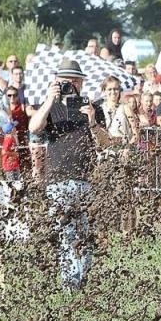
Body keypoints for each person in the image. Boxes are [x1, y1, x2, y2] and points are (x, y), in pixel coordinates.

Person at [27, 58, 102, 288]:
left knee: (85, 234)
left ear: (81, 83)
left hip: (85, 180)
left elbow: (105, 142)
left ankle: (82, 280)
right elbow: (34, 127)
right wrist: (50, 98)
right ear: (57, 82)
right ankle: (70, 284)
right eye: (65, 81)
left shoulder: (92, 107)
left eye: (75, 81)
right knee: (66, 234)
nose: (71, 85)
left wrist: (92, 121)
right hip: (58, 180)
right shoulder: (51, 107)